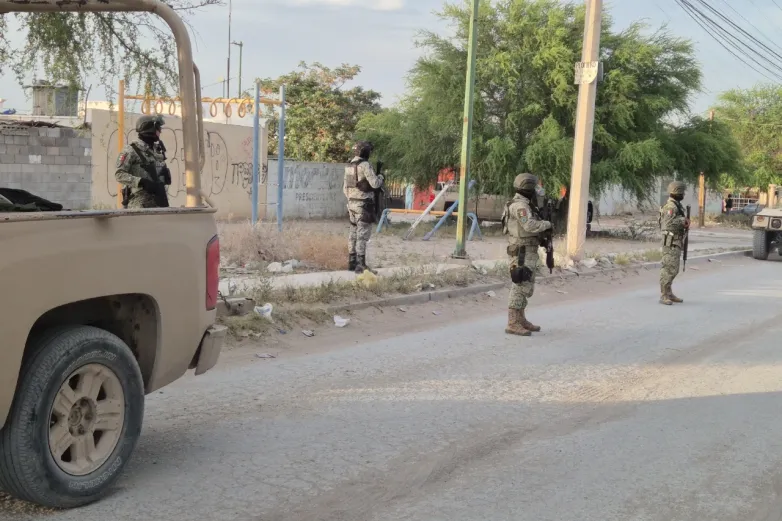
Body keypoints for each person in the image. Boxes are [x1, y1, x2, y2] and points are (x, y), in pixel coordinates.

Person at [501, 173, 552, 336]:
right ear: (528, 188)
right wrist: (547, 224)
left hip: (527, 249)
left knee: (526, 285)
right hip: (521, 250)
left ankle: (521, 319)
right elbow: (529, 225)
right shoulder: (520, 206)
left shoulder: (525, 204)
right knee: (520, 283)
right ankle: (512, 322)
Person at [343, 140, 384, 273]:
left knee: (353, 233)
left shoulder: (349, 166)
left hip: (351, 204)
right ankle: (361, 265)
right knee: (362, 235)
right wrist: (381, 177)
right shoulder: (365, 165)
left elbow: (345, 188)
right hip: (363, 205)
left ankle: (352, 262)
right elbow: (376, 184)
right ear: (365, 152)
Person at [116, 115, 170, 209]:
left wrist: (164, 175)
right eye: (158, 128)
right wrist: (141, 182)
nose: (160, 131)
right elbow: (119, 175)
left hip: (159, 201)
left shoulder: (156, 151)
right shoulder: (131, 150)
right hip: (139, 204)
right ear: (150, 129)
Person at [659, 181, 690, 306]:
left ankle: (669, 292)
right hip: (670, 241)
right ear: (677, 192)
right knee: (669, 268)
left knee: (674, 268)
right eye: (682, 192)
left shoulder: (677, 205)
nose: (683, 195)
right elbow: (668, 224)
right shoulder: (671, 207)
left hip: (676, 241)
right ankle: (664, 294)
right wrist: (683, 221)